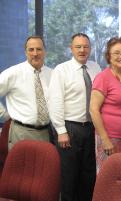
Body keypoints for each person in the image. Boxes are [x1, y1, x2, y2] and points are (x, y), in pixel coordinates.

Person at [48, 33, 101, 201]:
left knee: (89, 175)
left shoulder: (96, 68)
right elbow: (55, 101)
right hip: (70, 128)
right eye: (78, 47)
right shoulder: (61, 70)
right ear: (71, 48)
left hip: (91, 128)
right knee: (69, 176)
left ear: (90, 49)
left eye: (85, 46)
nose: (82, 50)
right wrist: (61, 131)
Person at [90, 36, 121, 171]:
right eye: (116, 53)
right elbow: (93, 110)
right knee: (109, 177)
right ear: (109, 56)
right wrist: (105, 140)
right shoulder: (103, 77)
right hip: (110, 139)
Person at [0, 35, 52, 149]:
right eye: (31, 49)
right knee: (21, 166)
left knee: (44, 166)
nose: (35, 53)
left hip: (46, 133)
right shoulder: (13, 73)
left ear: (44, 51)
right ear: (25, 52)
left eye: (39, 49)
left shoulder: (52, 74)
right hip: (21, 133)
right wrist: (5, 115)